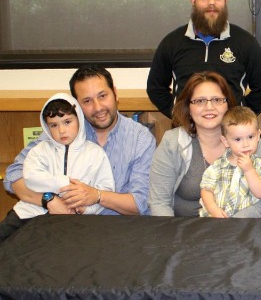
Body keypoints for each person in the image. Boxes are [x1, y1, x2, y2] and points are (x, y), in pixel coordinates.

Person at [4, 65, 155, 216]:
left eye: (103, 96)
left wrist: (97, 196)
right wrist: (48, 200)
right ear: (75, 105)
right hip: (62, 223)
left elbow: (140, 203)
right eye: (87, 101)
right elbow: (13, 175)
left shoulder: (140, 138)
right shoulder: (63, 131)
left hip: (117, 228)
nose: (98, 107)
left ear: (115, 93)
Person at [147, 0, 261, 119]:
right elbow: (155, 88)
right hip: (187, 133)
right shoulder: (172, 42)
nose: (212, 3)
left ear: (225, 0)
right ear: (193, 0)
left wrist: (237, 118)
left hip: (229, 137)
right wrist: (179, 115)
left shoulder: (245, 42)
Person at [149, 71, 261, 217]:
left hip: (239, 229)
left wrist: (229, 228)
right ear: (189, 108)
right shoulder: (172, 142)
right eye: (200, 101)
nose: (209, 107)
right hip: (182, 231)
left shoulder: (251, 143)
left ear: (228, 105)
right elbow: (159, 202)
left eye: (217, 100)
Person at [0, 94, 115, 242]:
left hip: (77, 219)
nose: (61, 130)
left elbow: (105, 189)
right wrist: (63, 183)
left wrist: (86, 209)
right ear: (46, 127)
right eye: (54, 125)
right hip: (28, 213)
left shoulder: (95, 153)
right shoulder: (40, 150)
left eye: (67, 122)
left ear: (79, 119)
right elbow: (31, 177)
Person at [200, 106, 261, 218]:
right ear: (225, 141)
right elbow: (206, 190)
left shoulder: (260, 165)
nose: (246, 144)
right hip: (215, 221)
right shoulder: (218, 166)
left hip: (245, 224)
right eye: (238, 139)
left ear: (258, 136)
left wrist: (249, 170)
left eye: (251, 137)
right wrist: (213, 209)